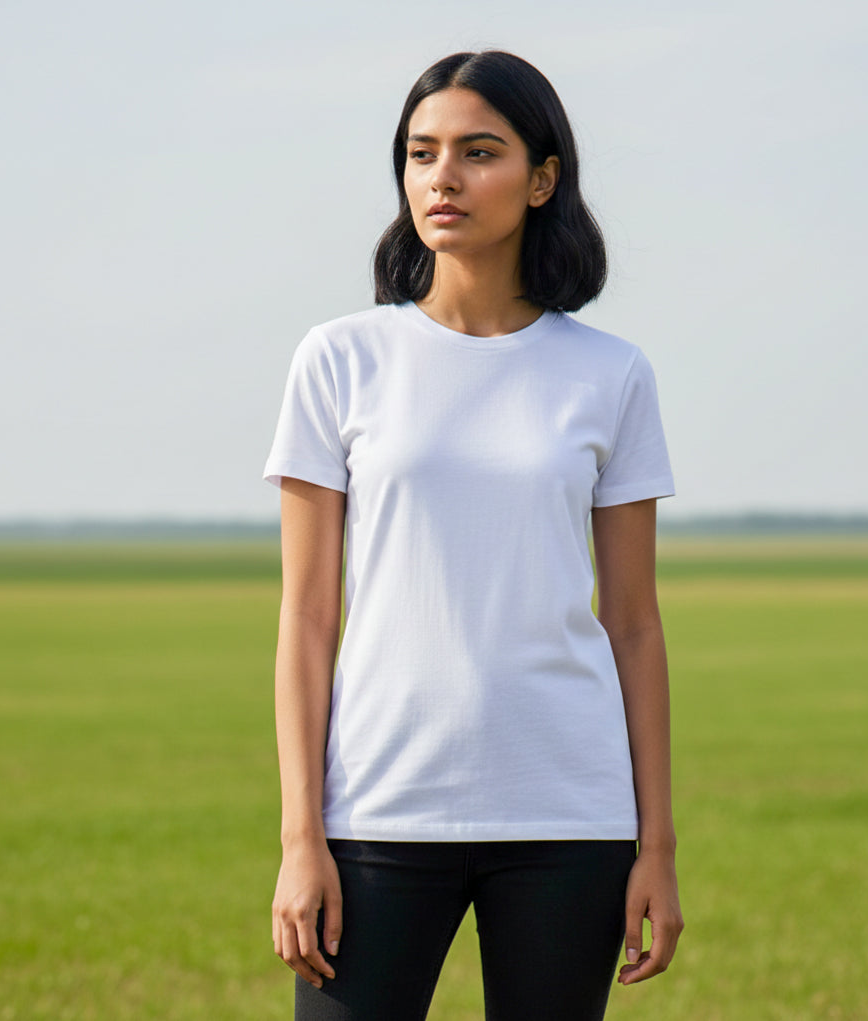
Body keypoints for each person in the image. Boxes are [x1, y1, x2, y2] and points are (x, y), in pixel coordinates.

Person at [265, 50, 683, 1021]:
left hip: (568, 814)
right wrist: (300, 836)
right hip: (373, 810)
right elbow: (307, 616)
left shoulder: (610, 375)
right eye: (420, 153)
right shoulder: (340, 360)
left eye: (478, 151)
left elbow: (633, 624)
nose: (442, 177)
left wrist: (654, 846)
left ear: (543, 179)